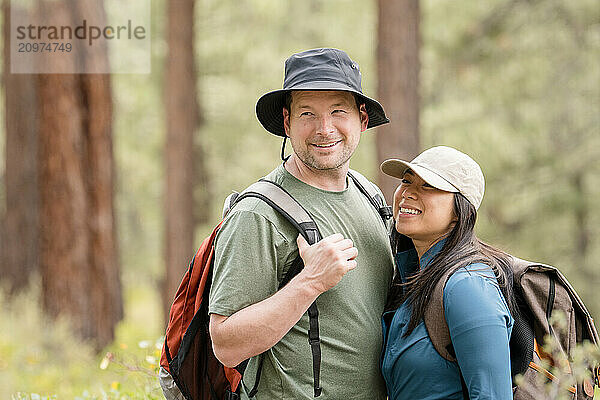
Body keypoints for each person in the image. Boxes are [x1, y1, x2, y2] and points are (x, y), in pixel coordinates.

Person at [208, 48, 394, 399]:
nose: (324, 129)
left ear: (362, 119)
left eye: (338, 111)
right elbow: (226, 344)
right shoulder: (259, 214)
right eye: (308, 113)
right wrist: (310, 282)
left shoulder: (370, 195)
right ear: (287, 121)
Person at [379, 146, 517, 400]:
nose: (407, 193)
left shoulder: (468, 287)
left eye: (428, 186)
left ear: (459, 213)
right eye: (406, 181)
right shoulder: (412, 277)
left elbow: (492, 395)